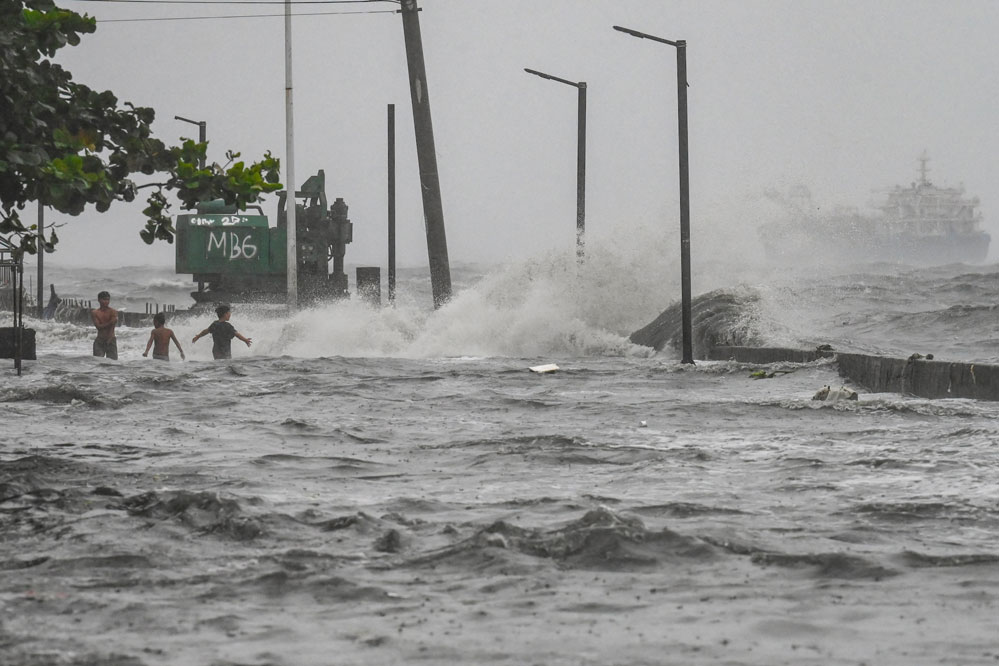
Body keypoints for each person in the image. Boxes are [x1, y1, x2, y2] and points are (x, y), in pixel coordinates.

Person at [91, 290, 118, 360]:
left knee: (113, 364)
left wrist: (109, 339)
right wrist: (110, 322)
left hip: (111, 340)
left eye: (108, 300)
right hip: (100, 340)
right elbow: (98, 327)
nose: (106, 302)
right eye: (104, 299)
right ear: (99, 300)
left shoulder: (113, 311)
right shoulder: (95, 312)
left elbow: (112, 328)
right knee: (97, 362)